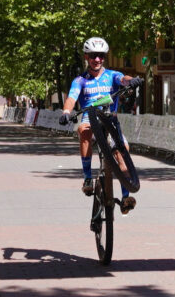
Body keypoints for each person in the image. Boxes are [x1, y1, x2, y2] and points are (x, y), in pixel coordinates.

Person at [61, 37, 142, 214]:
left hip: (110, 119)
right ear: (86, 57)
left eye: (101, 56)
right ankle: (88, 178)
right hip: (90, 118)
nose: (97, 59)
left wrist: (132, 80)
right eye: (93, 56)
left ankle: (126, 196)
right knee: (83, 130)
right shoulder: (80, 80)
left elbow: (124, 79)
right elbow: (71, 98)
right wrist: (66, 112)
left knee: (123, 152)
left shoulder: (112, 75)